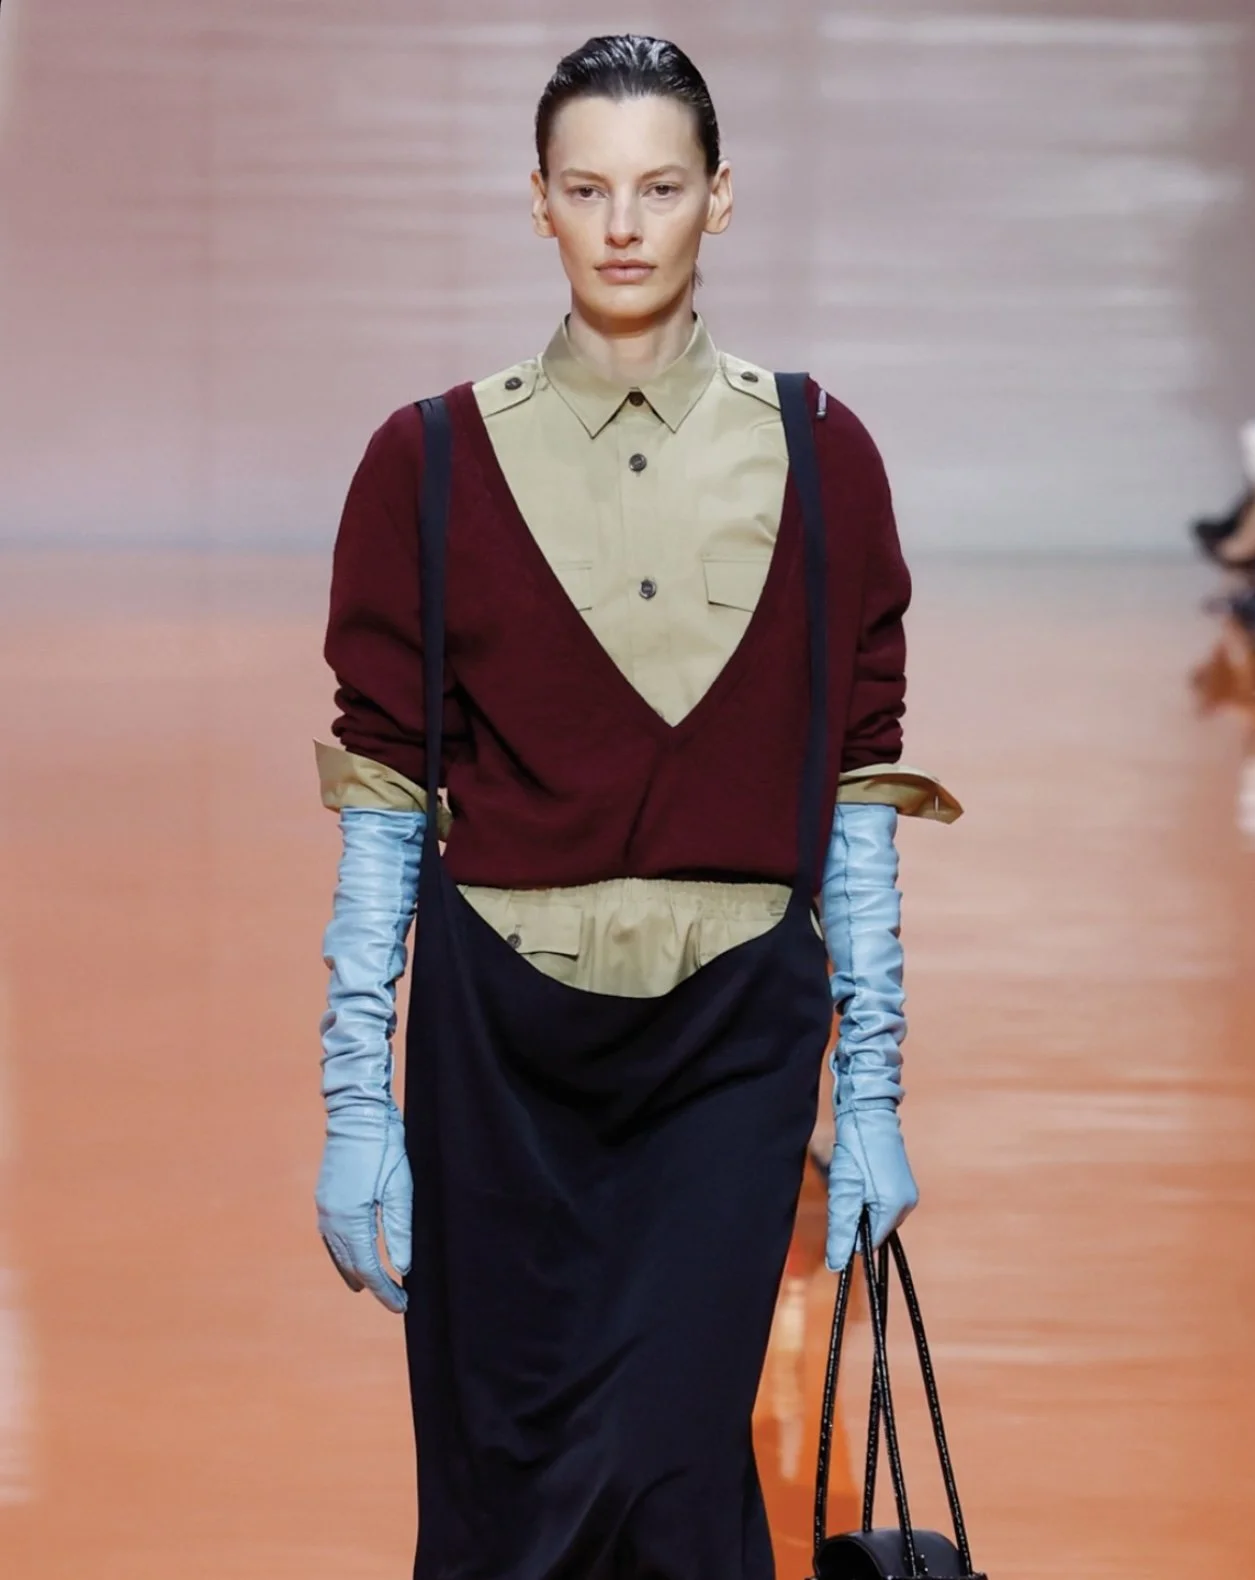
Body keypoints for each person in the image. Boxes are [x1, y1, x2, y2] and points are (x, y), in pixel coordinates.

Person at [312, 34, 960, 1579]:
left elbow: (856, 790)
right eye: (588, 187)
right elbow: (385, 798)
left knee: (671, 1488)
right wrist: (355, 1104)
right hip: (496, 1043)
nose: (623, 225)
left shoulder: (823, 453)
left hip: (731, 1040)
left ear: (719, 197)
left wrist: (871, 1092)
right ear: (536, 199)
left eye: (660, 187)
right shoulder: (428, 463)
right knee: (499, 1503)